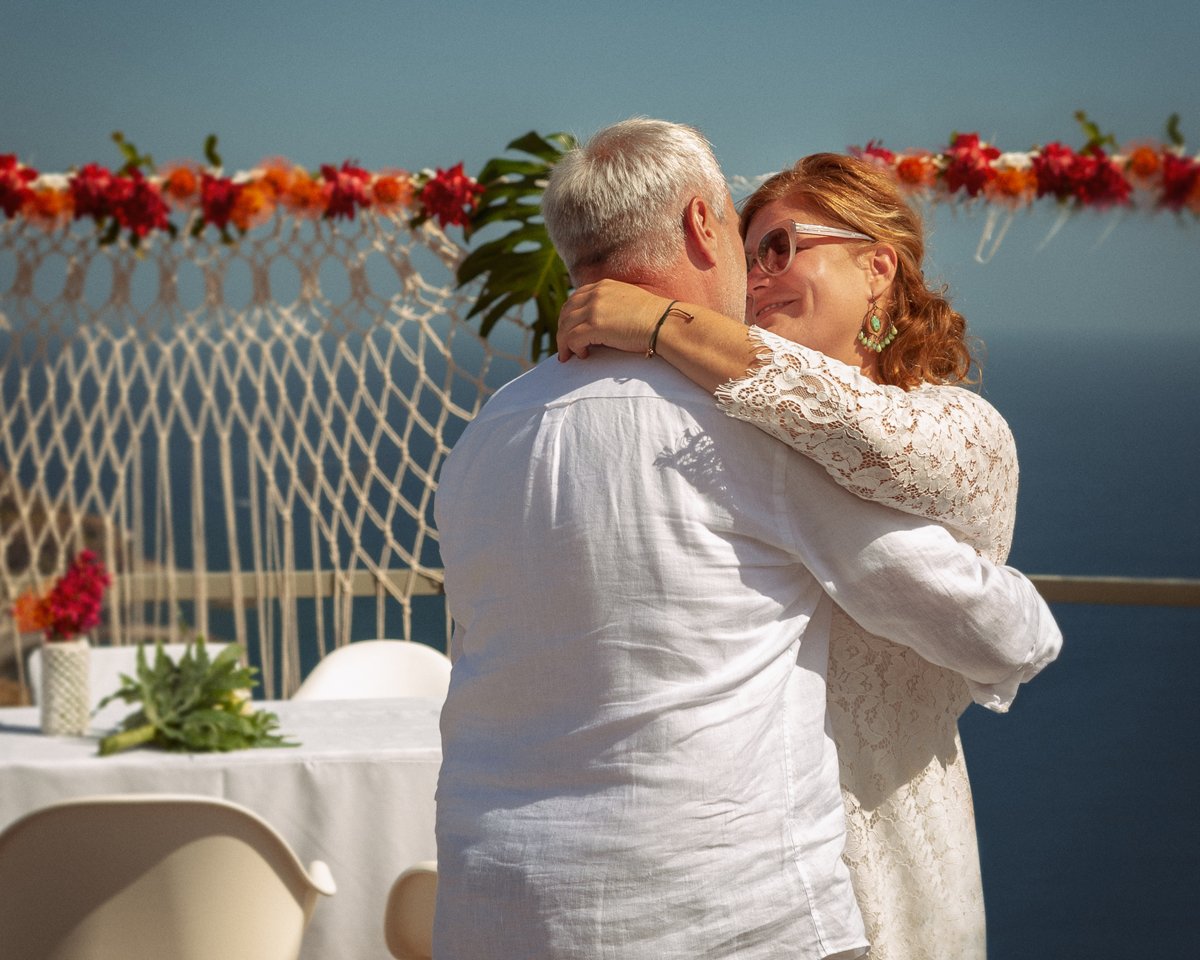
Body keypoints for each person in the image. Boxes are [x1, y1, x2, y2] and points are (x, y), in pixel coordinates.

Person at [433, 119, 1061, 960]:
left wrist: (663, 324)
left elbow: (869, 435)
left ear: (879, 265)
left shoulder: (484, 438)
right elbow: (989, 624)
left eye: (780, 248)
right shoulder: (745, 436)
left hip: (520, 900)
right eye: (746, 241)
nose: (757, 278)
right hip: (749, 894)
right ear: (702, 225)